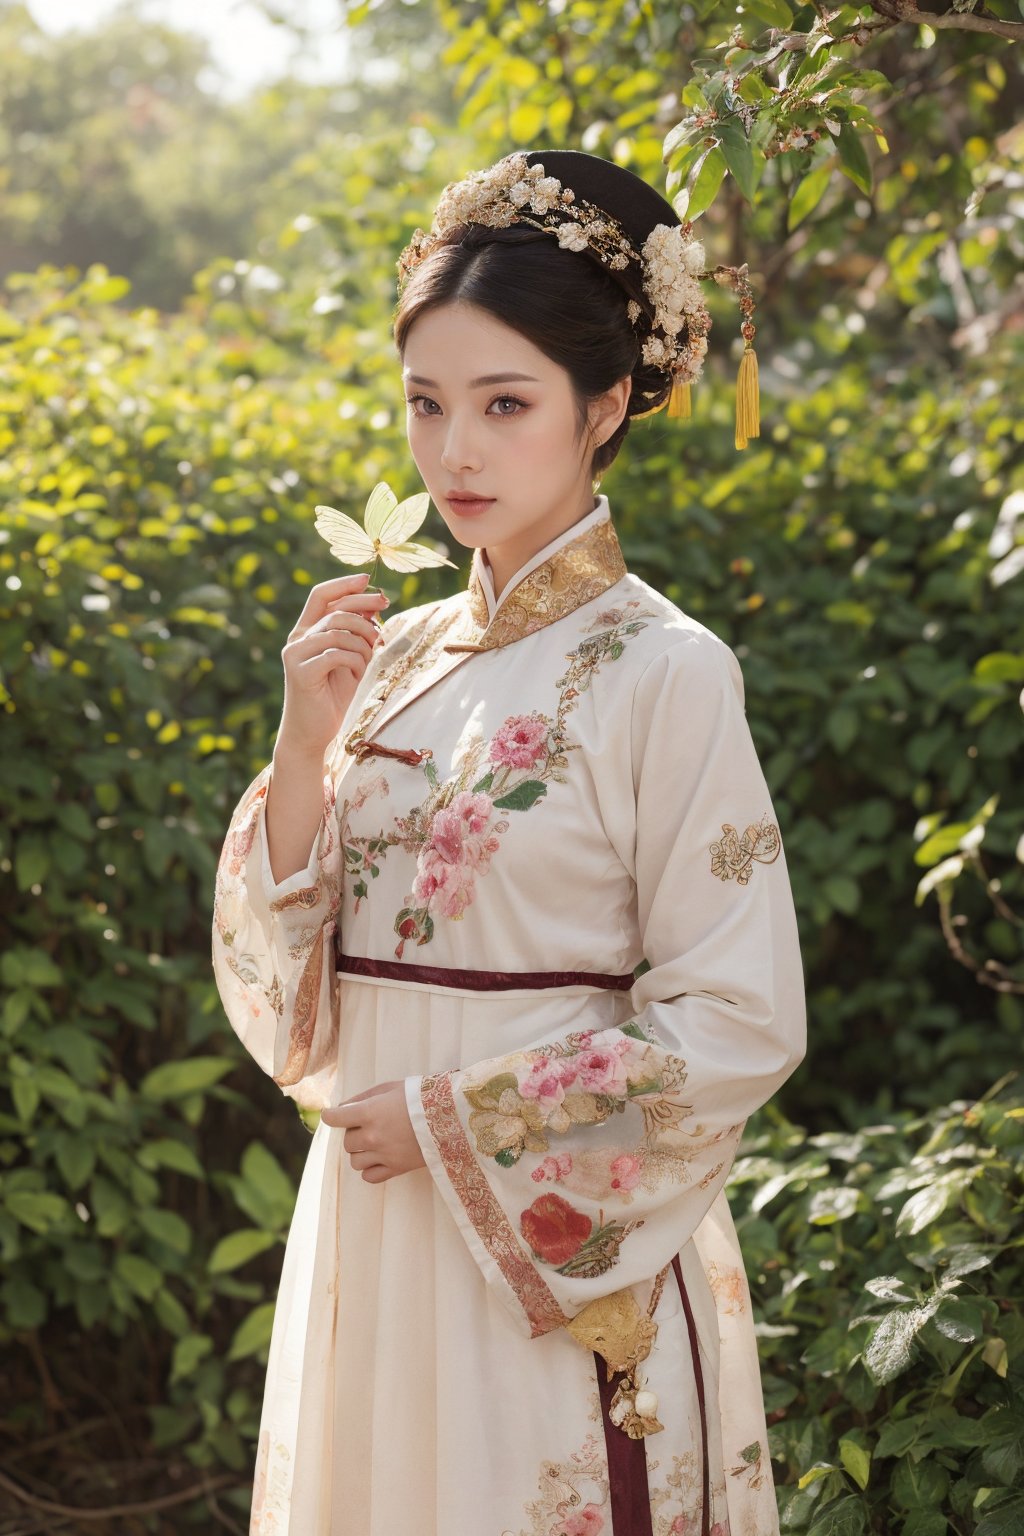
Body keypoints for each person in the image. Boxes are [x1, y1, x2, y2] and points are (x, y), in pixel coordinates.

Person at [211, 147, 806, 1536]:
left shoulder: (670, 670)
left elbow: (736, 1019)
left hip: (541, 1243)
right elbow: (293, 984)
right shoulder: (393, 652)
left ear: (605, 408)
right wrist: (303, 743)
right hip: (369, 1219)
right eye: (427, 405)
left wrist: (445, 1121)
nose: (455, 452)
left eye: (504, 403)